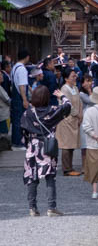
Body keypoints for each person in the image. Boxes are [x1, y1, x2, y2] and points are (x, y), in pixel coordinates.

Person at [22, 85, 72, 216]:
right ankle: (51, 207)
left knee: (32, 178)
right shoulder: (52, 110)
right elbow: (68, 106)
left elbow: (23, 131)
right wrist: (62, 96)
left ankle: (32, 208)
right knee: (50, 177)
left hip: (32, 147)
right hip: (47, 147)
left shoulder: (28, 113)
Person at [56, 66, 84, 176]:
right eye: (73, 76)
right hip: (66, 119)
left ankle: (70, 167)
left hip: (75, 118)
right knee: (66, 145)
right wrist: (78, 115)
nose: (75, 77)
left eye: (75, 75)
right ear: (66, 78)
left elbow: (79, 102)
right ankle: (66, 169)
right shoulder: (64, 89)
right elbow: (68, 105)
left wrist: (80, 115)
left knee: (71, 144)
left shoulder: (75, 88)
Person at [11, 48, 31, 149]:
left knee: (16, 120)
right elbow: (22, 86)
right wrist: (24, 99)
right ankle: (18, 143)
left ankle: (15, 142)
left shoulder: (14, 67)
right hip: (20, 97)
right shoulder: (22, 69)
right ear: (26, 57)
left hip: (15, 97)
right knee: (20, 120)